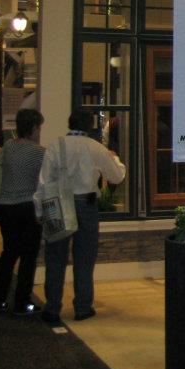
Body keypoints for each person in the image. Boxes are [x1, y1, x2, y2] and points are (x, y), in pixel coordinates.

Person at [34, 110, 125, 324]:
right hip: (87, 205)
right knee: (85, 258)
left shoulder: (57, 145)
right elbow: (116, 176)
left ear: (69, 123)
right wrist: (116, 159)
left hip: (58, 202)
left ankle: (52, 307)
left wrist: (40, 210)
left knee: (55, 257)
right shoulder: (95, 147)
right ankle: (83, 307)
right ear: (89, 125)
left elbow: (44, 182)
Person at [0, 109, 45, 316]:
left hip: (5, 207)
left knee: (9, 252)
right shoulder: (39, 152)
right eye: (39, 126)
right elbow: (45, 181)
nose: (39, 130)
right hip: (27, 207)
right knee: (29, 256)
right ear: (33, 127)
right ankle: (22, 301)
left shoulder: (8, 147)